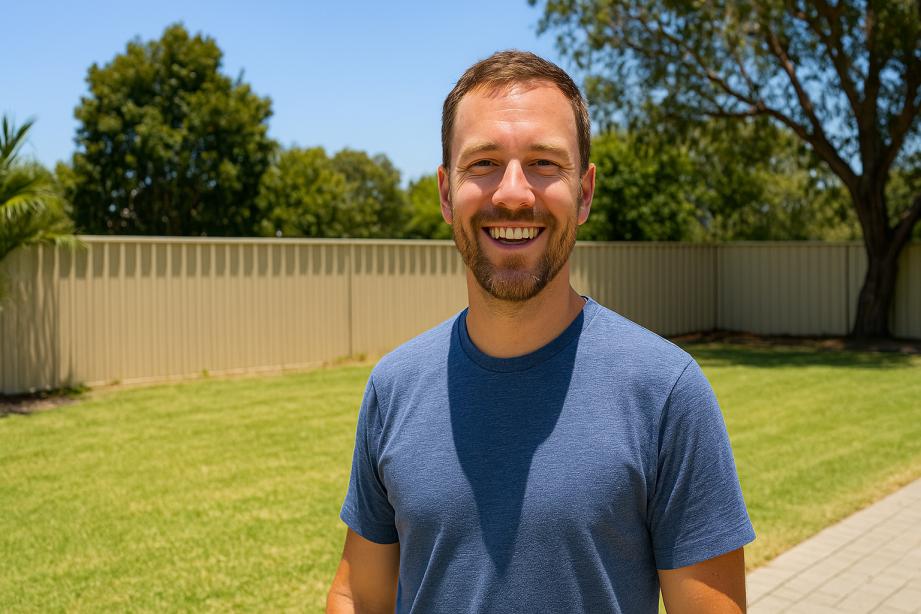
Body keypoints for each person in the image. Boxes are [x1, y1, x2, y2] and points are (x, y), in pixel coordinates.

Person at [326, 50, 754, 614]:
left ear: (584, 192)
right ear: (446, 193)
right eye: (483, 163)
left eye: (544, 163)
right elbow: (359, 594)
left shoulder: (666, 393)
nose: (513, 193)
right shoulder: (394, 388)